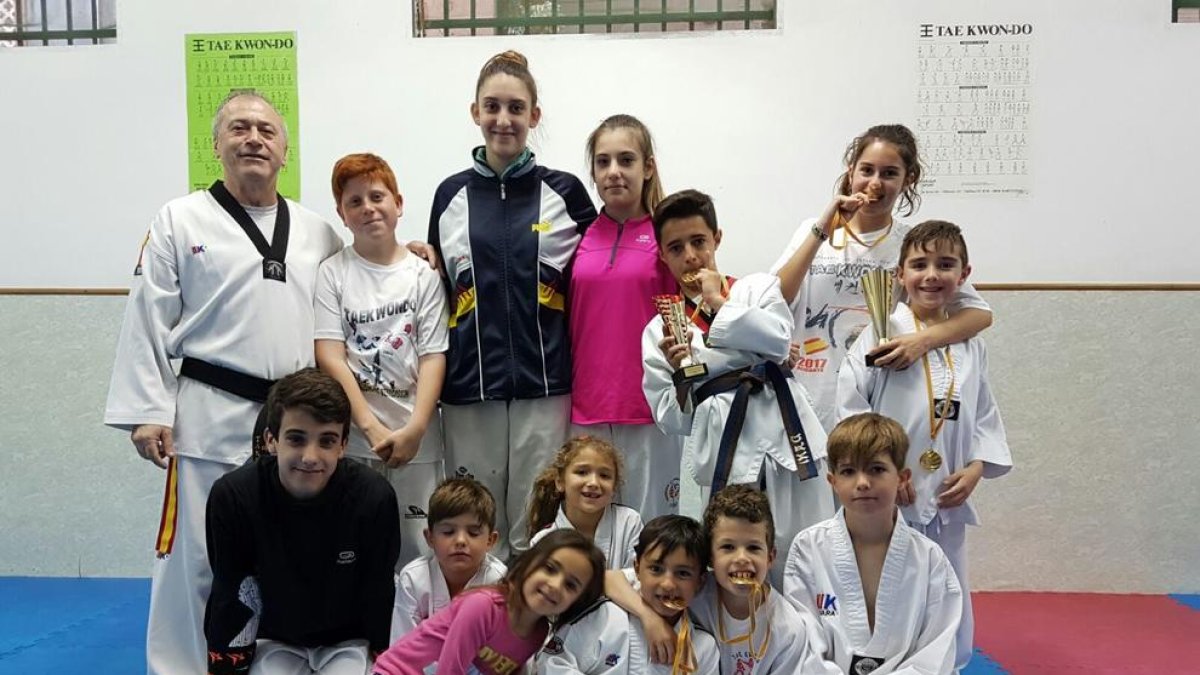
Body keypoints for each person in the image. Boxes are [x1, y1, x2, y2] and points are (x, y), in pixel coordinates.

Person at [104, 89, 344, 674]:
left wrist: (411, 253)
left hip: (294, 426)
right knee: (196, 556)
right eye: (239, 128)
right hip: (207, 414)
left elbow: (358, 285)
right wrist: (148, 410)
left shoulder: (318, 232)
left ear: (285, 150)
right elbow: (148, 315)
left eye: (265, 130)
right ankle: (179, 666)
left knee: (282, 555)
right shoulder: (179, 219)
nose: (253, 138)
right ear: (217, 145)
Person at [428, 50, 598, 560]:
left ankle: (535, 631)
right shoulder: (449, 195)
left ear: (534, 116)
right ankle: (477, 629)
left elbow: (602, 270)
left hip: (544, 385)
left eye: (516, 108)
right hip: (467, 387)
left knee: (537, 522)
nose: (504, 119)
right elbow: (435, 287)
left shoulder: (564, 192)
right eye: (493, 106)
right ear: (475, 112)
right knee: (474, 522)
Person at [837, 220, 1012, 670]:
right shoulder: (881, 330)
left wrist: (976, 467)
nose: (932, 274)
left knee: (947, 586)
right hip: (892, 493)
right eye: (919, 264)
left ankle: (946, 665)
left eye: (945, 264)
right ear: (899, 275)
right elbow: (854, 409)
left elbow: (983, 413)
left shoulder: (969, 344)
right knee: (891, 584)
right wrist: (880, 475)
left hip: (948, 487)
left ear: (964, 273)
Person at [641, 189, 832, 583]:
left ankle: (804, 639)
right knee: (725, 556)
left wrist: (715, 303)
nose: (690, 256)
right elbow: (671, 419)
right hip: (719, 452)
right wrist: (682, 376)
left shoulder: (756, 289)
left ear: (717, 239)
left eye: (699, 242)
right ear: (663, 255)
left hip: (783, 437)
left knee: (797, 548)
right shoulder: (659, 329)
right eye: (676, 248)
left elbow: (779, 339)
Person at [771, 124, 993, 432]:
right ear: (851, 172)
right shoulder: (813, 231)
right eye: (867, 170)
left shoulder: (909, 244)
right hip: (807, 393)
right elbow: (775, 298)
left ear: (908, 179)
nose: (875, 183)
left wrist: (921, 341)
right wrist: (822, 229)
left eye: (889, 174)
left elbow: (979, 315)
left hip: (876, 396)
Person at [204, 368, 401, 674]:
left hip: (348, 640)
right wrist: (229, 664)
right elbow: (232, 590)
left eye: (326, 441)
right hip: (275, 638)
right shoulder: (233, 496)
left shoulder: (374, 497)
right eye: (296, 439)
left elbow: (379, 589)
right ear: (272, 440)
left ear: (343, 445)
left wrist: (383, 652)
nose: (310, 456)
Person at [315, 152, 449, 571]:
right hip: (357, 438)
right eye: (354, 202)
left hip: (417, 438)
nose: (368, 208)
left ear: (399, 203)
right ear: (341, 213)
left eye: (377, 196)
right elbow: (330, 356)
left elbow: (432, 355)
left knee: (418, 548)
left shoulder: (422, 274)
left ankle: (419, 634)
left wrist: (416, 429)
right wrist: (369, 426)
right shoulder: (333, 273)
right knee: (354, 542)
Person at [784, 413, 962, 674]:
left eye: (876, 469)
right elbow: (804, 639)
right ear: (832, 481)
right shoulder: (807, 549)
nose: (863, 483)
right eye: (848, 471)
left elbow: (938, 646)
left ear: (902, 478)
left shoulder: (929, 558)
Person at [569, 114, 682, 520]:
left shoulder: (669, 237)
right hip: (586, 410)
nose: (614, 172)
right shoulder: (578, 235)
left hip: (650, 411)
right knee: (589, 536)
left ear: (648, 167)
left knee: (651, 533)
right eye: (603, 162)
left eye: (626, 160)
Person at [608, 486, 828, 673]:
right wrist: (649, 618)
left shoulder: (787, 628)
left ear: (770, 557)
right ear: (710, 557)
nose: (741, 558)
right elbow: (610, 579)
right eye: (728, 547)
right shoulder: (690, 585)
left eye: (753, 547)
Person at [372, 530, 606, 675]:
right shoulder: (483, 606)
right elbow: (449, 671)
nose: (555, 585)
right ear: (528, 563)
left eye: (571, 585)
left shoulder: (539, 633)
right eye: (550, 568)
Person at [535, 515, 719, 674]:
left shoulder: (703, 647)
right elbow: (550, 664)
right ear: (637, 569)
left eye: (683, 573)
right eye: (656, 569)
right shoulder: (605, 618)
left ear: (700, 582)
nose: (668, 584)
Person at [391, 478, 507, 642]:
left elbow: (506, 649)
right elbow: (400, 649)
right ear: (430, 537)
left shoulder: (499, 581)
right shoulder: (413, 579)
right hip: (420, 666)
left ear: (491, 540)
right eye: (448, 532)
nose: (460, 540)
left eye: (473, 533)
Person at [527, 436, 643, 570]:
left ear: (614, 487)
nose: (593, 482)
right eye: (582, 472)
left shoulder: (629, 522)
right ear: (560, 482)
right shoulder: (543, 540)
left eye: (604, 475)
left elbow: (639, 580)